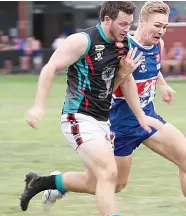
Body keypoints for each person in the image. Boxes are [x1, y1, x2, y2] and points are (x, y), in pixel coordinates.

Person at [41, 1, 186, 216]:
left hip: (148, 117)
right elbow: (108, 88)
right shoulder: (122, 48)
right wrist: (124, 73)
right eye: (157, 26)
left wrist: (163, 84)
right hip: (121, 125)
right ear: (142, 23)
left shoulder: (159, 45)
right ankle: (55, 183)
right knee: (112, 184)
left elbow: (152, 66)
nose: (161, 31)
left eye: (164, 26)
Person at [20, 2, 163, 216]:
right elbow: (50, 68)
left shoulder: (123, 44)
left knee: (102, 182)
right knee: (108, 171)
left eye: (129, 24)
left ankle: (41, 182)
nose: (127, 30)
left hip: (103, 121)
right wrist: (38, 107)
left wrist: (141, 115)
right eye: (123, 24)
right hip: (78, 117)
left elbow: (124, 82)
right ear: (107, 19)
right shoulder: (82, 41)